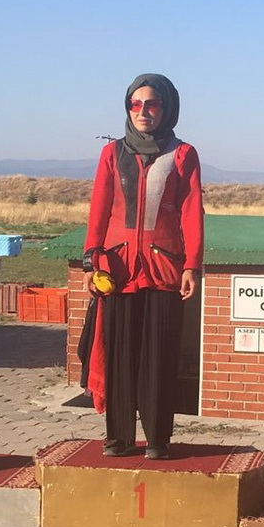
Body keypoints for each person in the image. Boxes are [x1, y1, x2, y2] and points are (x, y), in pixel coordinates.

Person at [81, 73, 204, 460]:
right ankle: (118, 437)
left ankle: (157, 439)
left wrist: (192, 266)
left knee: (159, 357)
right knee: (119, 355)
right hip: (117, 270)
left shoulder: (183, 154)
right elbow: (99, 210)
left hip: (164, 268)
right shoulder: (111, 154)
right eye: (136, 104)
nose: (143, 111)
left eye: (152, 104)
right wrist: (90, 261)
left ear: (167, 108)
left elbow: (191, 213)